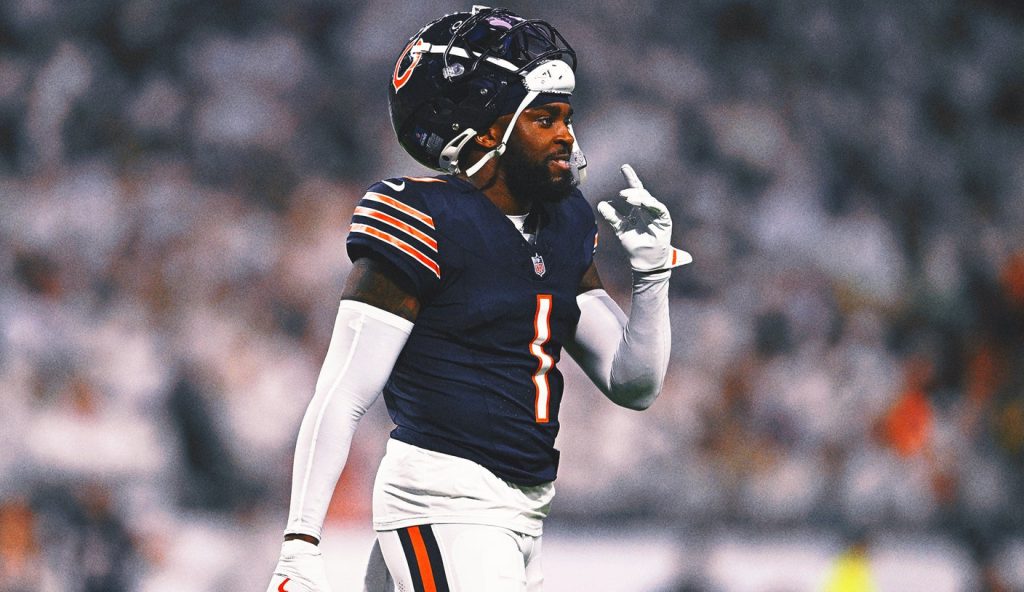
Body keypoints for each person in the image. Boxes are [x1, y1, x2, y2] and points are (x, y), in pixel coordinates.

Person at [267, 6, 691, 591]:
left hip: (522, 510)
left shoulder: (563, 223)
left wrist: (651, 275)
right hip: (445, 498)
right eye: (544, 118)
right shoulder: (424, 214)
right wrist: (300, 543)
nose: (566, 135)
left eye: (566, 117)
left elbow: (632, 384)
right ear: (489, 132)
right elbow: (342, 393)